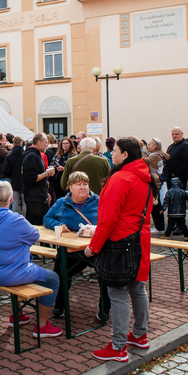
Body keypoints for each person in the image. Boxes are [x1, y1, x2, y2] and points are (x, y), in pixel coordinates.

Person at [84, 136, 156, 362]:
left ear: (125, 154)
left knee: (117, 293)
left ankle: (118, 346)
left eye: (114, 150)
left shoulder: (120, 178)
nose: (111, 154)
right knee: (137, 288)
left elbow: (107, 218)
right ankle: (140, 335)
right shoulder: (145, 176)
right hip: (139, 238)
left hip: (120, 241)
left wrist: (93, 246)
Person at [0, 181, 62, 338]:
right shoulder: (16, 220)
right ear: (10, 200)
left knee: (11, 265)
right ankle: (42, 325)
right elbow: (35, 235)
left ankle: (17, 315)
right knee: (54, 279)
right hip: (8, 274)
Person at [43, 171, 101, 318]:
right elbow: (47, 218)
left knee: (107, 274)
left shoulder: (99, 201)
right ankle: (59, 305)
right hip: (70, 249)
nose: (83, 187)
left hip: (95, 248)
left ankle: (105, 308)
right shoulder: (61, 203)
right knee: (61, 271)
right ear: (69, 187)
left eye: (85, 184)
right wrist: (58, 225)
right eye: (78, 184)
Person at [22, 133, 55, 226]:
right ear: (39, 143)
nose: (47, 145)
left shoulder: (35, 154)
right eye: (46, 142)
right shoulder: (32, 156)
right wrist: (47, 173)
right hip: (34, 197)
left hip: (38, 195)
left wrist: (45, 193)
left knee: (43, 222)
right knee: (35, 224)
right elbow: (32, 178)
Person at [146, 138, 169, 235]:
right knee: (155, 204)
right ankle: (158, 226)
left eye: (150, 144)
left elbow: (151, 170)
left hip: (154, 182)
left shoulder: (155, 156)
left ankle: (159, 227)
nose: (148, 146)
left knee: (155, 205)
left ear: (155, 146)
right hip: (156, 182)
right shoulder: (155, 155)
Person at [2, 136, 26, 214]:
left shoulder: (9, 156)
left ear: (13, 144)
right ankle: (26, 219)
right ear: (21, 143)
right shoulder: (25, 155)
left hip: (14, 180)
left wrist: (10, 174)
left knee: (15, 203)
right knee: (25, 203)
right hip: (24, 181)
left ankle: (14, 219)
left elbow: (4, 170)